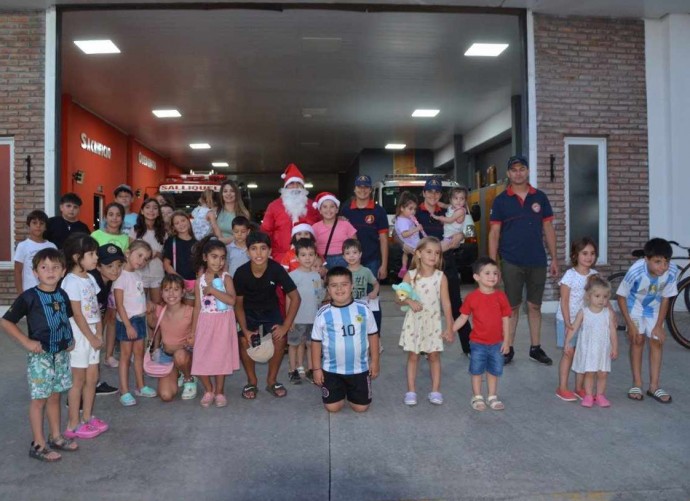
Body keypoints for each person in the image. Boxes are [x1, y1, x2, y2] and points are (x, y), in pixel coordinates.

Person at [1, 248, 78, 461]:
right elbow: (6, 321)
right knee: (39, 400)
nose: (50, 271)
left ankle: (56, 437)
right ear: (35, 272)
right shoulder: (29, 297)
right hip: (40, 357)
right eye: (44, 267)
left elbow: (65, 318)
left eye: (55, 267)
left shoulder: (62, 295)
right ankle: (38, 444)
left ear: (63, 271)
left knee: (55, 396)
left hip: (60, 354)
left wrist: (69, 339)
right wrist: (26, 341)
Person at [488, 155, 558, 365]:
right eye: (514, 170)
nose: (518, 173)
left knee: (535, 306)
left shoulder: (540, 198)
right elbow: (494, 233)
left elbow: (548, 229)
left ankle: (535, 348)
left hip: (537, 260)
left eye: (522, 169)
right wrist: (493, 265)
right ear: (508, 174)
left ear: (527, 171)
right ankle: (507, 349)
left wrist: (554, 258)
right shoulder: (501, 201)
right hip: (511, 261)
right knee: (512, 307)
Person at [234, 231, 300, 399]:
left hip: (271, 312)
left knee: (280, 338)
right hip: (248, 313)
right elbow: (238, 304)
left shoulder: (276, 269)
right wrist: (245, 329)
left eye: (263, 248)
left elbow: (296, 297)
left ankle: (272, 381)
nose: (259, 253)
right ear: (247, 252)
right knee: (243, 339)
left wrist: (286, 325)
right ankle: (251, 381)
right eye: (254, 249)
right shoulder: (241, 273)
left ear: (270, 251)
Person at [617, 238, 679, 404]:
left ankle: (654, 386)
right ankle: (637, 383)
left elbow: (666, 298)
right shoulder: (636, 271)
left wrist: (659, 326)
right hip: (634, 307)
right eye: (657, 262)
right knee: (637, 340)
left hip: (654, 308)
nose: (662, 267)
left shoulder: (671, 272)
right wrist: (630, 324)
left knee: (657, 341)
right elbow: (621, 296)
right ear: (646, 259)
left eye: (666, 262)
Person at [415, 178, 472, 354]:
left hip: (447, 262)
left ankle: (469, 348)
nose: (433, 195)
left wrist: (461, 235)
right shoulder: (415, 213)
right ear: (424, 193)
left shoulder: (449, 209)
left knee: (456, 304)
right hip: (424, 265)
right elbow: (405, 238)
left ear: (440, 194)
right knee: (423, 306)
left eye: (437, 192)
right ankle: (424, 347)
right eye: (429, 191)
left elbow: (464, 229)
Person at [311, 266, 380, 413]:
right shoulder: (323, 313)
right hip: (332, 370)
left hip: (359, 368)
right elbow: (315, 342)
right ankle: (340, 391)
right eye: (334, 285)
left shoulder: (364, 308)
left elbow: (373, 335)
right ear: (328, 289)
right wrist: (316, 369)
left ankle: (352, 391)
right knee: (333, 408)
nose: (339, 289)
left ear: (352, 286)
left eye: (344, 284)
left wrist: (374, 361)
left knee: (361, 408)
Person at [398, 237, 454, 406]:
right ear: (418, 253)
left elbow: (446, 303)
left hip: (433, 323)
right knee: (413, 356)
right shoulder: (411, 275)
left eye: (437, 253)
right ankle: (411, 390)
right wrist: (409, 301)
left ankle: (435, 390)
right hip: (414, 322)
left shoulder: (441, 277)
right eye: (429, 252)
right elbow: (399, 297)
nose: (433, 256)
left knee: (434, 355)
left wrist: (450, 327)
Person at [61, 234, 108, 439]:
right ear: (76, 257)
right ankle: (73, 424)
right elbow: (77, 314)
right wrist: (91, 337)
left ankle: (87, 417)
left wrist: (100, 331)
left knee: (92, 378)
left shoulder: (90, 278)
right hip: (80, 335)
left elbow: (95, 308)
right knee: (78, 381)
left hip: (92, 335)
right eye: (91, 254)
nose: (96, 257)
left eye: (96, 253)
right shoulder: (70, 281)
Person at [453, 257, 511, 411]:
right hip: (477, 343)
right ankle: (477, 397)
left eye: (495, 273)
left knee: (494, 371)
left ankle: (492, 396)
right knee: (476, 370)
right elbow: (463, 317)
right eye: (487, 273)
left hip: (497, 343)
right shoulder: (472, 297)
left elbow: (506, 319)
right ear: (476, 277)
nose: (493, 277)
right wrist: (450, 330)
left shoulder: (501, 296)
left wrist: (507, 341)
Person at [189, 236, 240, 408]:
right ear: (205, 257)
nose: (218, 261)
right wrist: (193, 330)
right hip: (205, 322)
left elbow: (232, 300)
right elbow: (197, 307)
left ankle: (219, 391)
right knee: (201, 355)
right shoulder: (199, 281)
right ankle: (208, 389)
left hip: (223, 323)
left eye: (222, 257)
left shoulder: (226, 278)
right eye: (214, 256)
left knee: (220, 357)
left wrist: (212, 290)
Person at [340, 175, 388, 334]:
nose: (362, 190)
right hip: (350, 263)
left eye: (366, 187)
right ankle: (355, 332)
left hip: (371, 262)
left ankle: (375, 336)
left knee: (372, 300)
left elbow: (383, 239)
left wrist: (384, 264)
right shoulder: (345, 210)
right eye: (359, 187)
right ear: (354, 189)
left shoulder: (378, 211)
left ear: (370, 190)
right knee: (349, 297)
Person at [112, 240, 157, 406]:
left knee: (139, 355)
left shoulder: (137, 275)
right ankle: (124, 391)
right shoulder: (120, 277)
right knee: (125, 357)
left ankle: (140, 386)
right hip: (127, 322)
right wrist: (128, 325)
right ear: (127, 252)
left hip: (139, 319)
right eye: (139, 255)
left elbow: (138, 296)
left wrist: (147, 305)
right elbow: (119, 304)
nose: (141, 261)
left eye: (145, 259)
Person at [555, 238, 598, 401]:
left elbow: (600, 298)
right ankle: (562, 387)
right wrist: (567, 322)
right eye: (584, 253)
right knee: (569, 353)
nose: (589, 257)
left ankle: (579, 387)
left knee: (583, 354)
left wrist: (610, 315)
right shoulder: (570, 275)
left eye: (592, 253)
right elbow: (564, 300)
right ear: (575, 255)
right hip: (567, 320)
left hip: (586, 322)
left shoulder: (595, 276)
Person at [565, 275, 618, 408]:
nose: (602, 300)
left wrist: (615, 347)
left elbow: (612, 332)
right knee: (589, 373)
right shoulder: (584, 312)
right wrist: (567, 342)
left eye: (605, 297)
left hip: (603, 349)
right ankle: (588, 395)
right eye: (598, 296)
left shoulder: (608, 314)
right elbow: (573, 328)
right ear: (589, 296)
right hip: (588, 349)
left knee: (602, 373)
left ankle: (600, 395)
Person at [149, 274, 197, 402]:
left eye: (176, 289)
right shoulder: (160, 310)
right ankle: (178, 372)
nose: (171, 293)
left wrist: (194, 338)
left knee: (180, 355)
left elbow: (201, 332)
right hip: (167, 356)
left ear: (183, 292)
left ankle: (189, 378)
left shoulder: (190, 311)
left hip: (185, 354)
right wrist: (149, 312)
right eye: (167, 289)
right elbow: (154, 326)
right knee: (166, 395)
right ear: (161, 293)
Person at [261, 163, 320, 263]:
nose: (295, 187)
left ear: (303, 186)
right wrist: (268, 254)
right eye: (291, 183)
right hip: (280, 257)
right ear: (286, 186)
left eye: (298, 183)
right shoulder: (274, 206)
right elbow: (265, 232)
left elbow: (321, 227)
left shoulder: (312, 206)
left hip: (308, 258)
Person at [286, 238, 325, 384]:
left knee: (311, 344)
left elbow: (318, 296)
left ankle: (310, 368)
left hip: (313, 318)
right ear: (296, 257)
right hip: (297, 318)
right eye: (303, 255)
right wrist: (289, 319)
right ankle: (292, 369)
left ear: (315, 256)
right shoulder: (293, 276)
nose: (307, 258)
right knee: (294, 344)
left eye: (310, 254)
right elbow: (289, 299)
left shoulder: (316, 275)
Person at [89, 244, 125, 394]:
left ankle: (94, 383)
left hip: (93, 324)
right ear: (98, 266)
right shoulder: (91, 282)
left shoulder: (109, 281)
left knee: (93, 355)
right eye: (109, 266)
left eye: (118, 265)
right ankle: (80, 394)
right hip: (80, 327)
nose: (115, 270)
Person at [129, 198, 167, 305]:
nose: (151, 211)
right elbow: (130, 252)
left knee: (158, 305)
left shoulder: (163, 232)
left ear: (158, 212)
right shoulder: (135, 230)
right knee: (139, 305)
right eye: (147, 207)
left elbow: (166, 255)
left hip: (158, 273)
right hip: (139, 274)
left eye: (155, 208)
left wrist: (157, 254)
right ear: (142, 211)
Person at [14, 210, 57, 294]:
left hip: (49, 291)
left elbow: (56, 270)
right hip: (29, 291)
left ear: (45, 227)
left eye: (41, 223)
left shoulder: (52, 246)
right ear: (28, 225)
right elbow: (17, 271)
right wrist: (20, 293)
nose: (38, 226)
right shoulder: (23, 246)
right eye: (34, 223)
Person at [311, 192, 357, 270]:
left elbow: (355, 244)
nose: (328, 210)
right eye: (325, 207)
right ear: (320, 210)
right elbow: (312, 247)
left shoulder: (346, 224)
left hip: (344, 259)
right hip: (322, 261)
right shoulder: (315, 227)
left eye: (332, 206)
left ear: (337, 210)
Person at [163, 210, 197, 306]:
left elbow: (200, 266)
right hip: (176, 283)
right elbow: (166, 264)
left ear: (188, 221)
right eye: (177, 223)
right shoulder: (171, 241)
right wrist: (180, 281)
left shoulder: (197, 243)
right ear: (173, 227)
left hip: (192, 285)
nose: (181, 224)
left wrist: (197, 284)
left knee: (189, 313)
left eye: (183, 220)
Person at [394, 191, 425, 279]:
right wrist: (416, 229)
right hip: (411, 243)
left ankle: (404, 267)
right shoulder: (403, 221)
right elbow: (404, 234)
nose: (413, 212)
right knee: (417, 257)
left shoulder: (404, 218)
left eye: (414, 209)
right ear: (402, 208)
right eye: (410, 209)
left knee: (405, 254)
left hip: (408, 244)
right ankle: (418, 270)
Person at [343, 239, 380, 310]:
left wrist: (374, 292)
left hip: (362, 306)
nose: (351, 256)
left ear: (360, 254)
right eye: (347, 253)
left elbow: (376, 284)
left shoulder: (366, 271)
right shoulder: (343, 273)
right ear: (344, 257)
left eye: (354, 252)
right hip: (347, 306)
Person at [431, 186, 468, 252]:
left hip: (452, 238)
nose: (459, 201)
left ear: (465, 201)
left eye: (462, 199)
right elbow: (444, 205)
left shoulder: (461, 211)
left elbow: (450, 220)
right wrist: (435, 202)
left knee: (437, 250)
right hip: (447, 236)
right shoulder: (451, 206)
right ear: (451, 200)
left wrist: (438, 217)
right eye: (456, 198)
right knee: (436, 250)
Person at [216, 179, 251, 244]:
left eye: (232, 191)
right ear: (221, 194)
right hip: (217, 250)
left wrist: (222, 241)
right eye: (225, 191)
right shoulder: (215, 211)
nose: (228, 194)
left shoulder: (244, 213)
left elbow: (244, 236)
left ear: (237, 194)